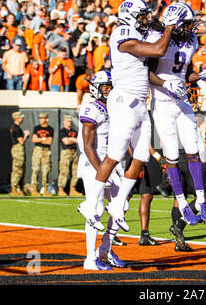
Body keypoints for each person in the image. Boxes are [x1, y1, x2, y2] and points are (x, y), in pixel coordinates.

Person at [77, 0, 188, 232]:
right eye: (141, 15)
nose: (144, 19)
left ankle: (118, 204)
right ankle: (89, 204)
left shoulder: (137, 32)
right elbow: (158, 49)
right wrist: (167, 28)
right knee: (116, 154)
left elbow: (155, 57)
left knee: (141, 156)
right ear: (128, 15)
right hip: (124, 99)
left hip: (139, 101)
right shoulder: (122, 32)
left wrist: (169, 26)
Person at [146, 3, 206, 227]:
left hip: (181, 100)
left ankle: (202, 199)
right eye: (187, 24)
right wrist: (165, 84)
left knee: (193, 148)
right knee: (172, 154)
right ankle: (182, 202)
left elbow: (185, 72)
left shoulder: (192, 41)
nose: (191, 28)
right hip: (162, 103)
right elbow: (148, 74)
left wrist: (199, 75)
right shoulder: (159, 39)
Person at [77, 70, 125, 270]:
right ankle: (90, 258)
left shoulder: (112, 107)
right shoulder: (91, 108)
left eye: (110, 86)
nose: (108, 90)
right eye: (104, 86)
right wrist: (101, 173)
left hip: (111, 162)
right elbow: (88, 147)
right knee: (95, 209)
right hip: (93, 163)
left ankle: (105, 248)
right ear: (96, 88)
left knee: (120, 207)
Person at [30, 113, 54, 197]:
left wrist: (39, 139)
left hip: (46, 151)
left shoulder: (50, 129)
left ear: (47, 119)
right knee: (35, 169)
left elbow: (49, 141)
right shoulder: (36, 128)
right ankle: (34, 189)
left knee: (46, 170)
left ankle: (45, 190)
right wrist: (44, 138)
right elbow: (33, 140)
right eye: (40, 118)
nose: (41, 119)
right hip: (37, 150)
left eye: (43, 118)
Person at [58, 115, 81, 196]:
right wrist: (73, 140)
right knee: (64, 171)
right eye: (67, 121)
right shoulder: (62, 131)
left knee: (75, 171)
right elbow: (66, 142)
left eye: (70, 121)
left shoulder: (74, 131)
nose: (69, 123)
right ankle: (61, 189)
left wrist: (70, 139)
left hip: (74, 152)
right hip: (66, 152)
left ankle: (73, 189)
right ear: (64, 121)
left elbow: (79, 140)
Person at [9, 111, 30, 196]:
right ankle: (14, 189)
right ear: (17, 118)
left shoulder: (16, 127)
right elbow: (21, 141)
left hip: (17, 149)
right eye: (21, 117)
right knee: (18, 169)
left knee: (21, 169)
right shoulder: (16, 128)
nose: (22, 118)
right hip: (18, 149)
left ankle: (20, 189)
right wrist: (26, 135)